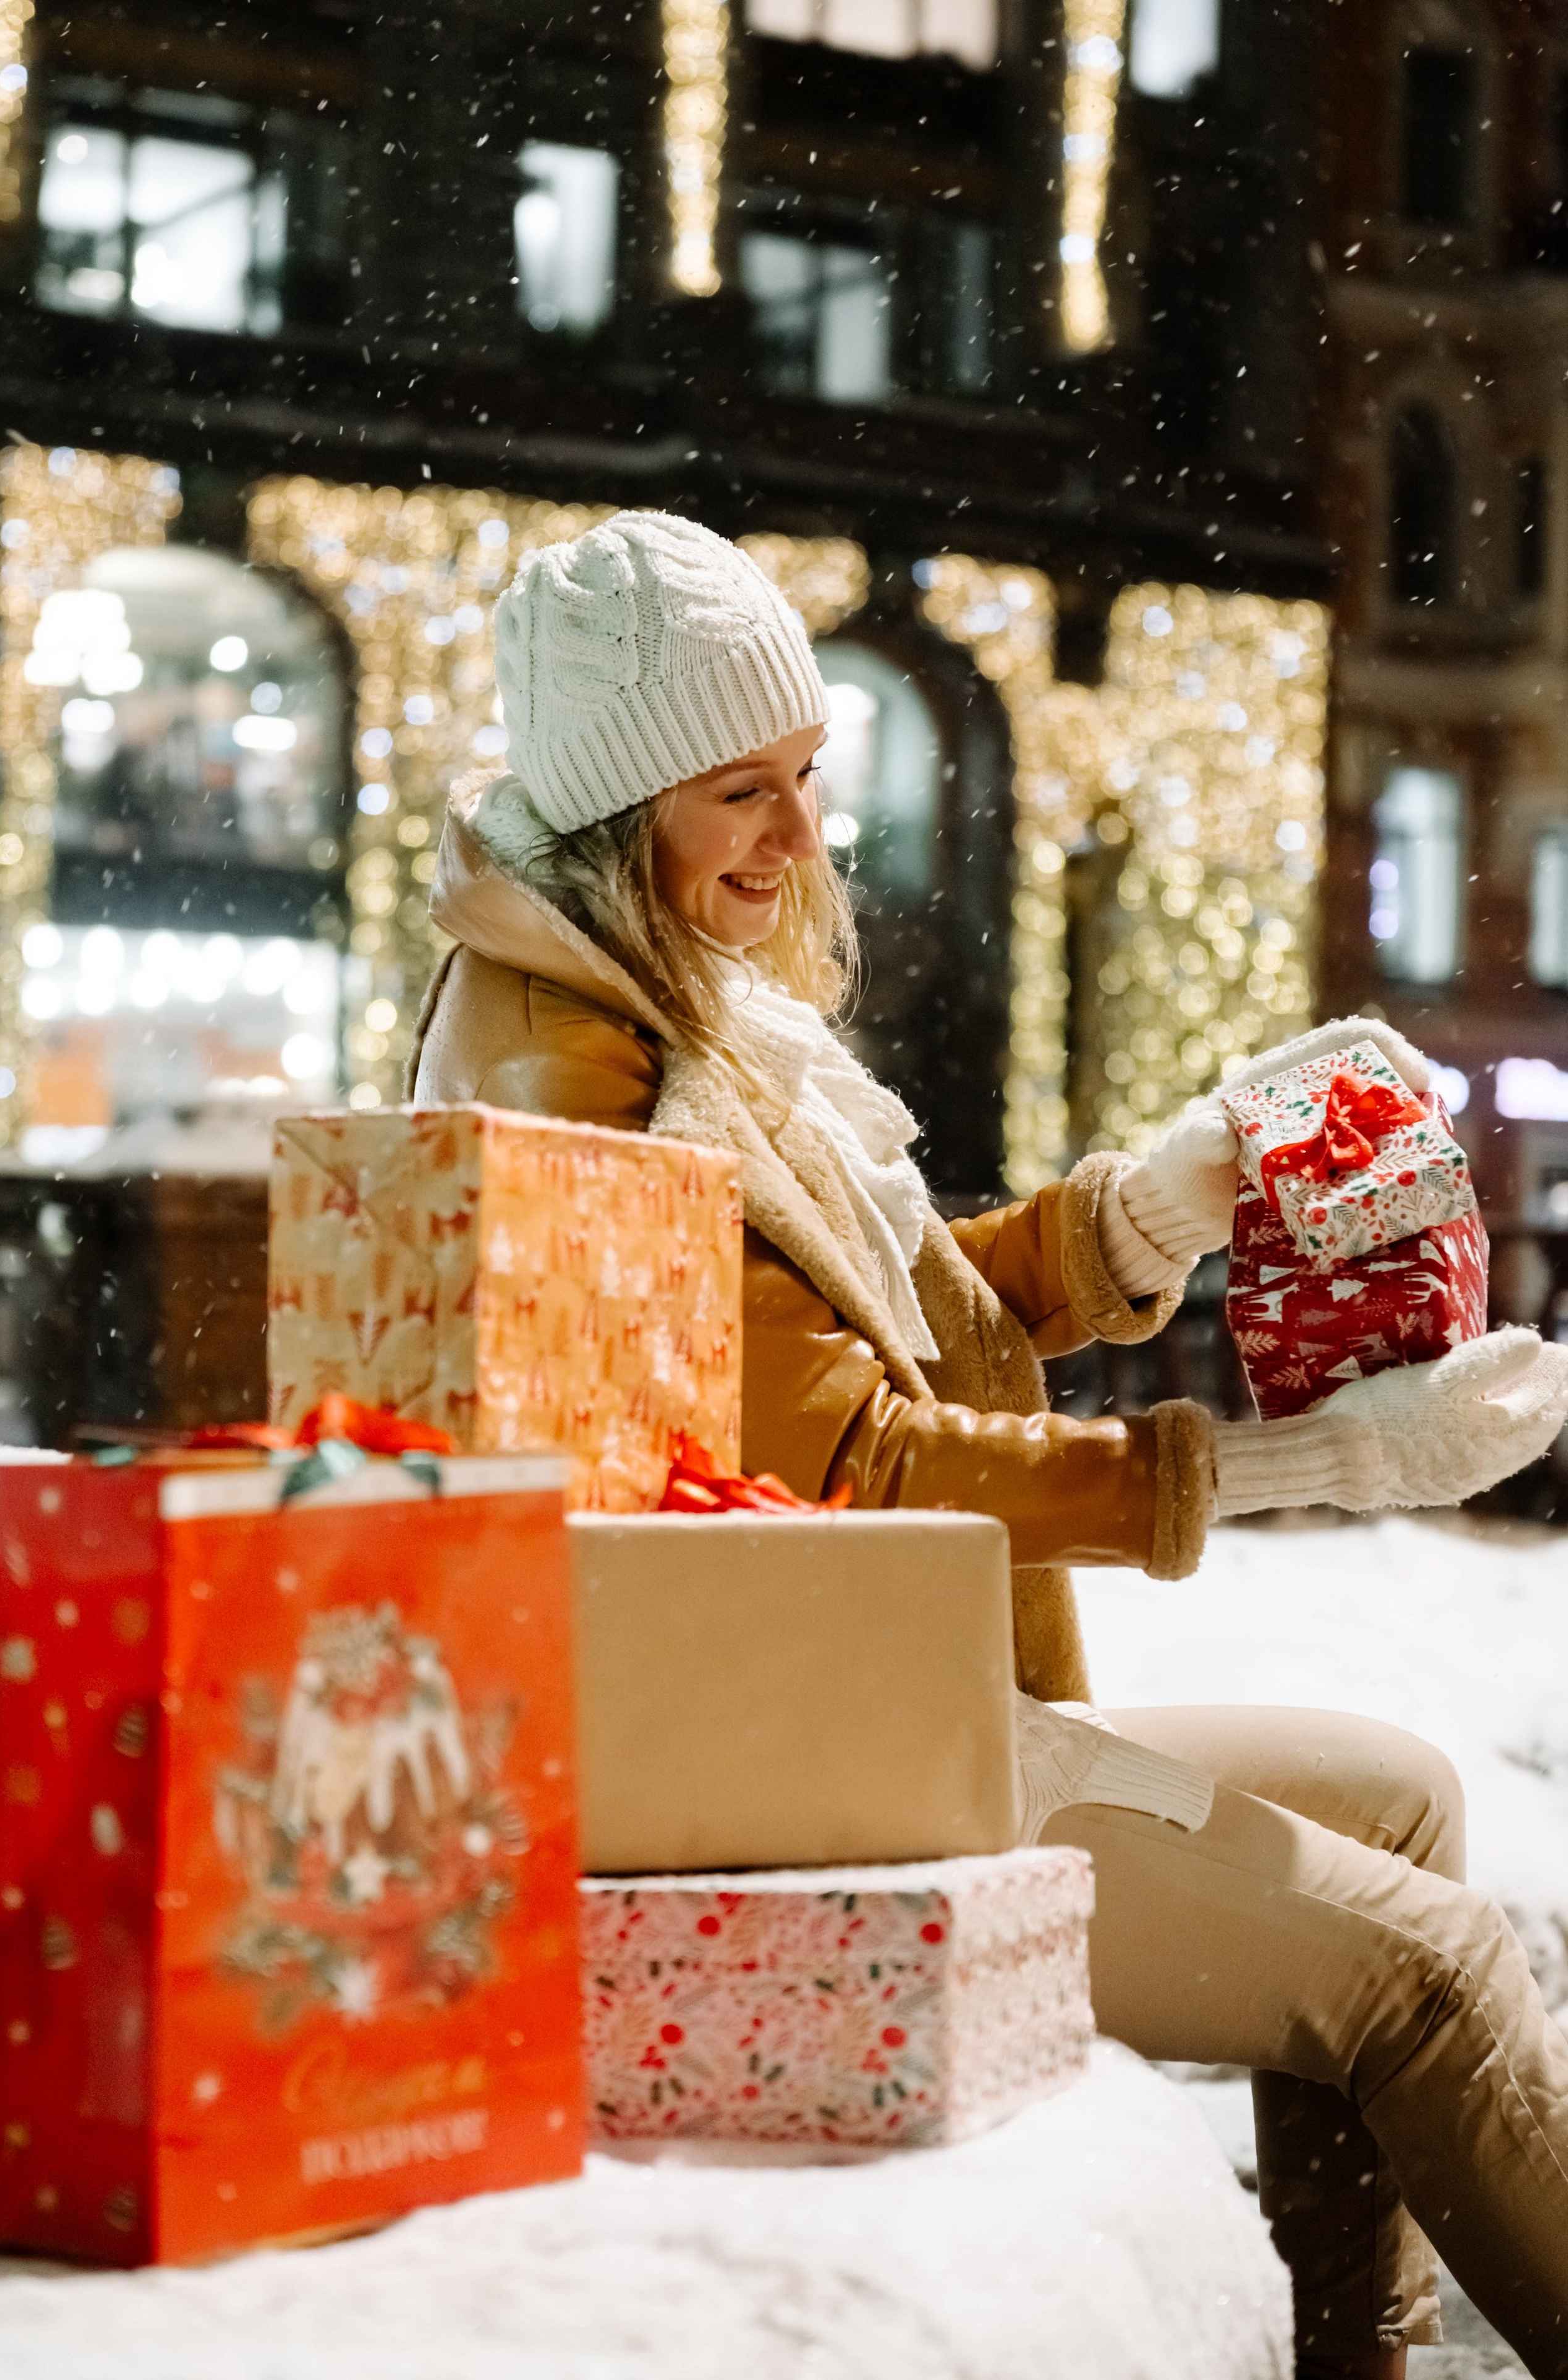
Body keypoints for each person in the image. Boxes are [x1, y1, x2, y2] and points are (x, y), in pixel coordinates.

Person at [411, 511, 1568, 2378]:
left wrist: (1164, 1194)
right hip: (772, 1773)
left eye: (807, 775)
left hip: (842, 1704)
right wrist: (1313, 1465)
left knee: (1406, 1796)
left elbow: (891, 1305)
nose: (801, 838)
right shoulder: (580, 1066)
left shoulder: (660, 993)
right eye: (742, 793)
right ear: (624, 807)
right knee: (1431, 1975)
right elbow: (861, 1462)